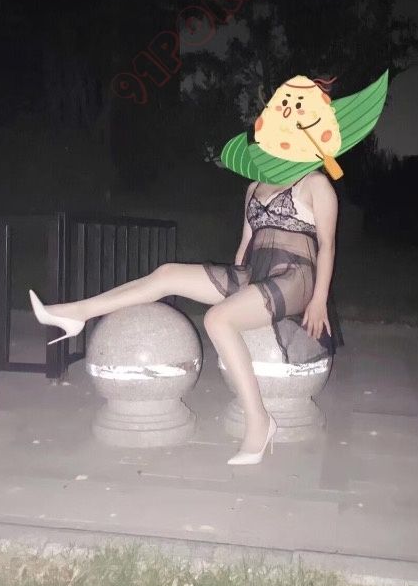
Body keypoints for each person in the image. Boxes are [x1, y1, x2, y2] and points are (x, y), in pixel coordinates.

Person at [29, 165, 341, 467]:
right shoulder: (254, 187)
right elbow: (245, 247)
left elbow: (327, 247)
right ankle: (79, 313)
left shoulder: (314, 183)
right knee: (167, 274)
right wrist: (237, 287)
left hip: (296, 278)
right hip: (255, 272)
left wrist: (319, 299)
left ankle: (259, 421)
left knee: (217, 319)